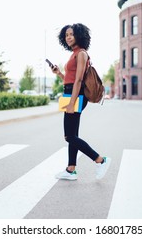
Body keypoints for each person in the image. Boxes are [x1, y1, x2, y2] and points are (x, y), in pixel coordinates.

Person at [50, 23, 111, 181]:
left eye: (71, 34)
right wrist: (59, 74)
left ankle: (100, 160)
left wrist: (71, 103)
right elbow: (69, 81)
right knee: (73, 135)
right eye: (66, 35)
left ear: (79, 35)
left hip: (75, 96)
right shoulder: (73, 54)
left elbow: (78, 81)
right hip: (69, 93)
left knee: (69, 136)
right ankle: (71, 170)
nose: (68, 37)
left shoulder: (82, 53)